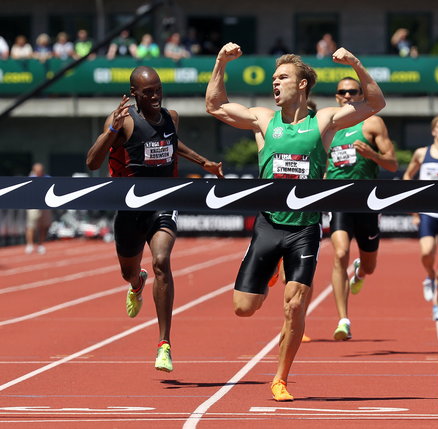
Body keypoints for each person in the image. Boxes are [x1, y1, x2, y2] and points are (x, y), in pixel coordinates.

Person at [206, 42, 385, 401]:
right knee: (244, 308)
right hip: (269, 225)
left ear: (302, 85)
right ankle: (270, 274)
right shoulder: (262, 119)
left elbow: (376, 103)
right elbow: (214, 105)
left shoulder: (324, 122)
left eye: (282, 78)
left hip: (305, 229)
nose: (275, 84)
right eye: (273, 78)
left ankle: (280, 378)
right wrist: (220, 62)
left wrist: (355, 62)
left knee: (295, 303)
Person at [86, 66, 224, 373]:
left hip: (165, 201)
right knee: (128, 272)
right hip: (131, 208)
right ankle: (137, 283)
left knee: (162, 260)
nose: (156, 96)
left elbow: (173, 144)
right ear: (134, 94)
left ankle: (164, 344)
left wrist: (204, 162)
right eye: (148, 92)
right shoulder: (121, 121)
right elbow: (92, 161)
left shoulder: (171, 117)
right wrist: (111, 131)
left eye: (158, 89)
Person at [326, 76, 398, 340]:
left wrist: (372, 155)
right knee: (339, 253)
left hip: (367, 201)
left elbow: (392, 164)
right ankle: (343, 319)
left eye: (352, 91)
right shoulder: (328, 125)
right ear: (336, 96)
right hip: (339, 199)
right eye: (342, 92)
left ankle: (359, 272)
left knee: (370, 266)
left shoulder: (372, 122)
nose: (347, 96)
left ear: (361, 95)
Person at [403, 115, 438, 321]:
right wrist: (414, 209)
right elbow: (408, 176)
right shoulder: (421, 153)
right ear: (433, 131)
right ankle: (430, 275)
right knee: (427, 253)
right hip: (428, 213)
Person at [25, 163, 52, 255]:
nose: (38, 172)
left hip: (45, 205)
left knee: (43, 226)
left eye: (40, 170)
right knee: (31, 225)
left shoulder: (48, 178)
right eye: (37, 170)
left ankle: (40, 244)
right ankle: (30, 244)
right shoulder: (30, 178)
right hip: (33, 205)